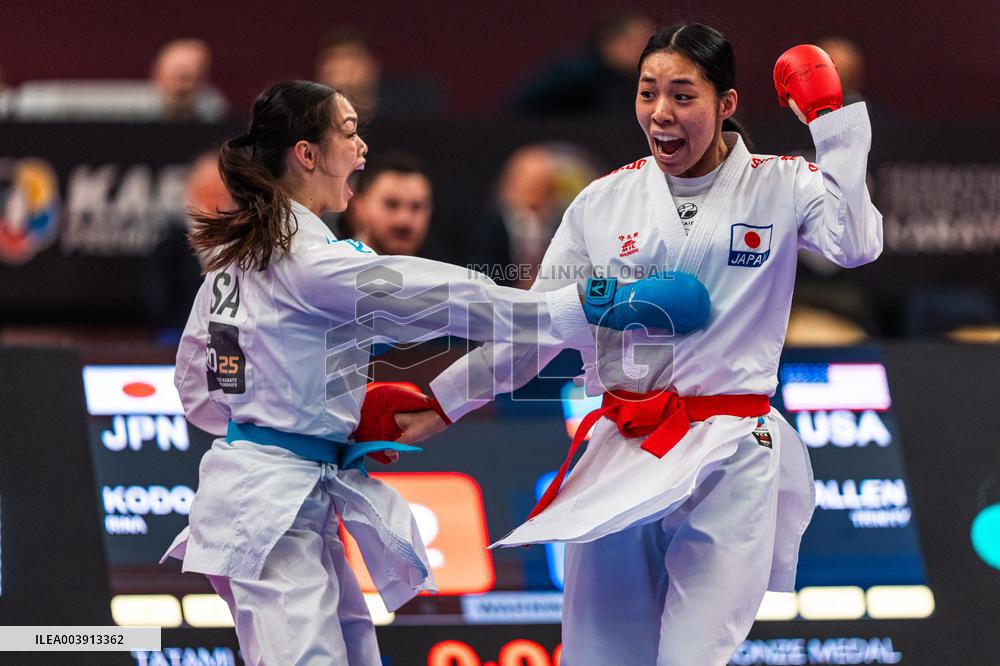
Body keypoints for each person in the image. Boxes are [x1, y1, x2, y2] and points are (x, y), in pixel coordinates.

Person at [160, 79, 711, 666]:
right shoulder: (310, 261)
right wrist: (588, 303)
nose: (362, 148)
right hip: (269, 507)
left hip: (275, 494)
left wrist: (318, 420)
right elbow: (455, 300)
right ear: (307, 154)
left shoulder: (240, 258)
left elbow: (200, 386)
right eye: (349, 132)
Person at [411, 24, 882, 665]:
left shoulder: (783, 183)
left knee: (693, 656)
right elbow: (538, 329)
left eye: (683, 96)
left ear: (727, 105)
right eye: (647, 93)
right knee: (598, 655)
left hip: (730, 450)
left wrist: (831, 125)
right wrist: (441, 403)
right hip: (623, 444)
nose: (660, 113)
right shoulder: (602, 201)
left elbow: (855, 244)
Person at [346, 151, 434, 257]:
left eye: (416, 207)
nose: (404, 220)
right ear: (359, 207)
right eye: (391, 204)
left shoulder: (445, 272)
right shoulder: (329, 270)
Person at [150, 38, 228, 121]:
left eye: (187, 76)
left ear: (203, 77)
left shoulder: (216, 108)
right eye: (176, 69)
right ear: (158, 75)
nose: (181, 75)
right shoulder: (137, 110)